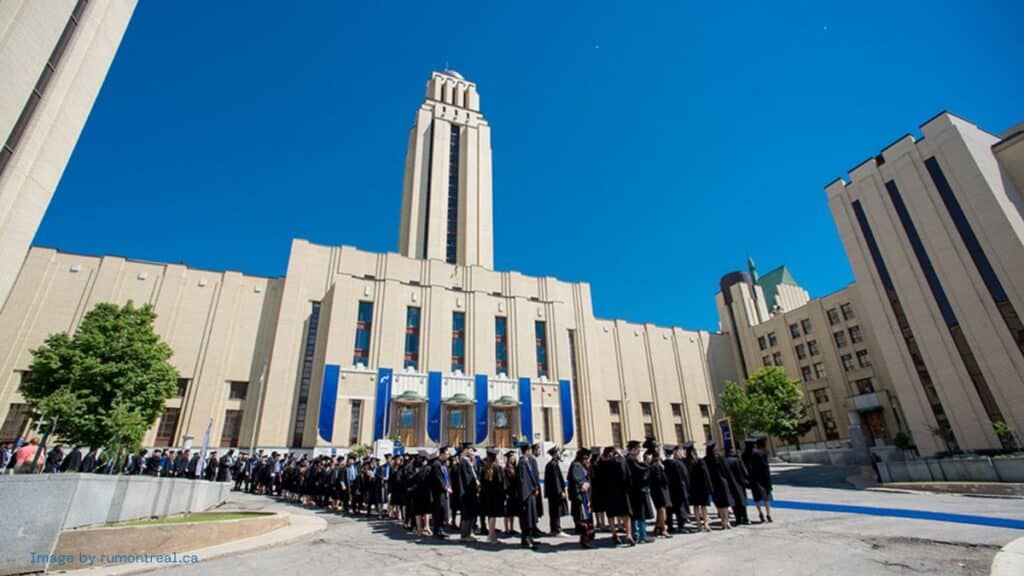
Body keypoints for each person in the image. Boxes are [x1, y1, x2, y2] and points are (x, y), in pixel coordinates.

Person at [598, 446, 633, 545]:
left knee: (611, 514)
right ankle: (629, 534)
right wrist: (621, 456)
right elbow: (626, 474)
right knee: (626, 513)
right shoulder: (620, 461)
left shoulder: (603, 464)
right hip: (621, 491)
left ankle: (614, 533)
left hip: (608, 492)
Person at [625, 440, 652, 543]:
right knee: (640, 514)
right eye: (638, 450)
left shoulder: (627, 459)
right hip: (637, 491)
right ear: (633, 450)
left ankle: (635, 534)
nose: (639, 452)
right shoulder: (632, 460)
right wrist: (646, 463)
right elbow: (641, 471)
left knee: (634, 514)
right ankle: (642, 535)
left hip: (631, 491)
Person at [568, 448, 595, 548]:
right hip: (581, 497)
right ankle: (585, 540)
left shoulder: (581, 465)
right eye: (586, 458)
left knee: (586, 518)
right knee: (583, 519)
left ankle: (587, 539)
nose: (587, 460)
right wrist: (583, 485)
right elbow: (577, 480)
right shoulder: (576, 465)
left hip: (585, 496)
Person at [704, 441, 734, 530]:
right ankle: (726, 521)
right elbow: (726, 470)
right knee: (725, 502)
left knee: (718, 502)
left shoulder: (706, 460)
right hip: (722, 482)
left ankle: (722, 520)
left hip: (713, 483)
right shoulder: (720, 458)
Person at [516, 443, 541, 550]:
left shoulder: (527, 462)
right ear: (527, 451)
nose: (531, 452)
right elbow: (522, 481)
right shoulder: (522, 463)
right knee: (526, 518)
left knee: (530, 517)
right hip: (526, 495)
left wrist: (534, 488)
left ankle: (530, 538)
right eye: (530, 450)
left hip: (530, 493)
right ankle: (525, 539)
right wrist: (527, 493)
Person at [479, 448, 507, 543]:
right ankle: (491, 535)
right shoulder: (497, 468)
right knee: (493, 515)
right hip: (495, 495)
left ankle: (491, 534)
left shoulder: (484, 468)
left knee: (489, 515)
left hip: (486, 495)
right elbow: (500, 482)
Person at [744, 438, 774, 523]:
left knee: (756, 497)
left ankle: (760, 513)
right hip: (763, 479)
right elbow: (765, 467)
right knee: (766, 498)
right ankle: (768, 514)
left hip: (753, 479)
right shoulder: (760, 454)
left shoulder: (744, 455)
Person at [684, 442, 712, 532]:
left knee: (696, 506)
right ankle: (706, 523)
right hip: (701, 486)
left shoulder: (686, 462)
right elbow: (705, 474)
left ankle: (699, 524)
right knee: (703, 506)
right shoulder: (700, 461)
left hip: (692, 487)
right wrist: (709, 486)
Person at [663, 444, 691, 533]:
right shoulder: (678, 464)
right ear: (673, 452)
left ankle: (670, 526)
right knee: (680, 507)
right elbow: (684, 477)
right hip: (678, 489)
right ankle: (681, 526)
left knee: (669, 509)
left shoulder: (663, 464)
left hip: (668, 489)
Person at [544, 446, 569, 537]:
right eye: (558, 453)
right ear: (555, 454)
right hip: (555, 493)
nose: (560, 454)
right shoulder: (553, 464)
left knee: (553, 511)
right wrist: (560, 491)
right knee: (556, 511)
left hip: (552, 493)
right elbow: (556, 479)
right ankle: (557, 530)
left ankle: (553, 529)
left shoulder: (551, 464)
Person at [457, 446, 480, 541]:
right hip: (467, 491)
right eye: (471, 450)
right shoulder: (463, 461)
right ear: (466, 451)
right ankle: (464, 534)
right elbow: (466, 478)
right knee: (467, 513)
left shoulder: (469, 461)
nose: (473, 452)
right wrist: (475, 484)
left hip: (472, 491)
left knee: (472, 513)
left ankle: (469, 532)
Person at [429, 447, 453, 539]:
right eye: (447, 454)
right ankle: (437, 530)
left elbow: (447, 477)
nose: (448, 455)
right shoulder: (436, 465)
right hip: (438, 492)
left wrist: (449, 486)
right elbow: (439, 480)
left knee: (443, 510)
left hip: (444, 491)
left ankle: (441, 529)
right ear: (442, 454)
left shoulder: (443, 465)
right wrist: (446, 488)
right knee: (438, 510)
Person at [724, 444, 750, 525]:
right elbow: (744, 472)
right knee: (742, 500)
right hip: (739, 483)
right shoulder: (737, 460)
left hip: (729, 484)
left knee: (734, 502)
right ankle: (745, 518)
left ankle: (738, 518)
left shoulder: (724, 461)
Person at [648, 448, 671, 538]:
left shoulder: (653, 464)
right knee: (662, 508)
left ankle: (658, 526)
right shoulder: (656, 465)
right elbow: (661, 479)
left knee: (659, 508)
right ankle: (663, 528)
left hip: (656, 489)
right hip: (660, 489)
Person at [503, 451, 519, 535]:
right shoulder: (505, 469)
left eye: (514, 457)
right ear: (508, 459)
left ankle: (512, 528)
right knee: (507, 512)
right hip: (508, 493)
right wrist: (506, 493)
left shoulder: (515, 468)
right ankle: (506, 529)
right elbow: (505, 482)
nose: (513, 459)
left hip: (514, 493)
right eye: (512, 457)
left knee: (512, 512)